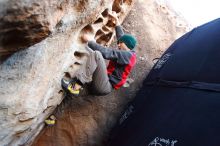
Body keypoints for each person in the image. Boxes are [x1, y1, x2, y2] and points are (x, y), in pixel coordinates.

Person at [62, 12, 137, 96]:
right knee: (86, 86)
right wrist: (116, 21)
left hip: (105, 85)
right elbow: (121, 37)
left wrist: (90, 41)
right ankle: (80, 90)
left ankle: (75, 88)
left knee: (97, 55)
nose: (118, 44)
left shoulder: (127, 55)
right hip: (103, 84)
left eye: (121, 43)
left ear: (127, 45)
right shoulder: (130, 53)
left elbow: (107, 53)